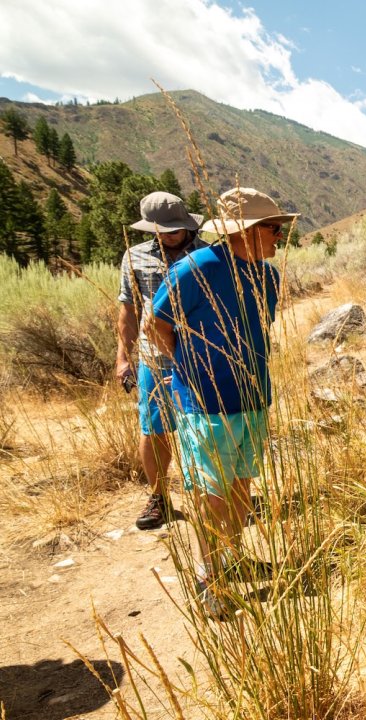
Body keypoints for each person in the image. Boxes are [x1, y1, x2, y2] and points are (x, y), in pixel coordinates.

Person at [149, 187, 296, 620]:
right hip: (205, 404)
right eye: (273, 229)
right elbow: (154, 323)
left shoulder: (268, 276)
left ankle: (229, 562)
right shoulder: (195, 268)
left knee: (240, 489)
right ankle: (208, 579)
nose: (279, 238)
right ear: (246, 231)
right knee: (213, 494)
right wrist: (188, 364)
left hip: (251, 399)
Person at [117, 191, 207, 531]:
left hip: (202, 358)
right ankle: (158, 498)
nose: (170, 235)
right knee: (154, 429)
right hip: (154, 359)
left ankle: (211, 495)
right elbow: (128, 309)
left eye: (175, 229)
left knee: (204, 428)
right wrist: (123, 358)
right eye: (162, 230)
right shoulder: (134, 257)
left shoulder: (208, 253)